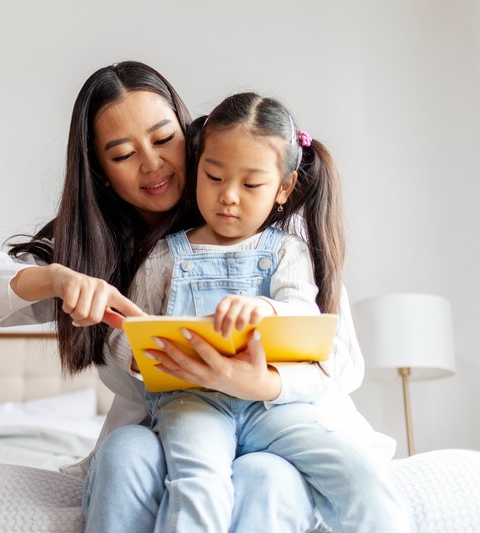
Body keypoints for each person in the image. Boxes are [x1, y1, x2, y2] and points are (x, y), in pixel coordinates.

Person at [0, 61, 395, 532]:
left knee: (266, 474)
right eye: (123, 154)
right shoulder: (112, 251)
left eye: (164, 140)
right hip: (175, 420)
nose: (153, 164)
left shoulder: (272, 232)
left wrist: (257, 379)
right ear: (100, 171)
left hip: (277, 415)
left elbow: (338, 362)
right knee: (125, 452)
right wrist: (58, 280)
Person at [111, 92, 406, 531]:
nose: (228, 197)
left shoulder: (290, 252)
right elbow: (121, 334)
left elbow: (309, 322)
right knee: (198, 487)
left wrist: (263, 309)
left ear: (283, 188)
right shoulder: (164, 257)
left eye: (251, 185)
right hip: (192, 401)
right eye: (213, 177)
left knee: (359, 470)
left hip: (274, 404)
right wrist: (138, 353)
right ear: (197, 170)